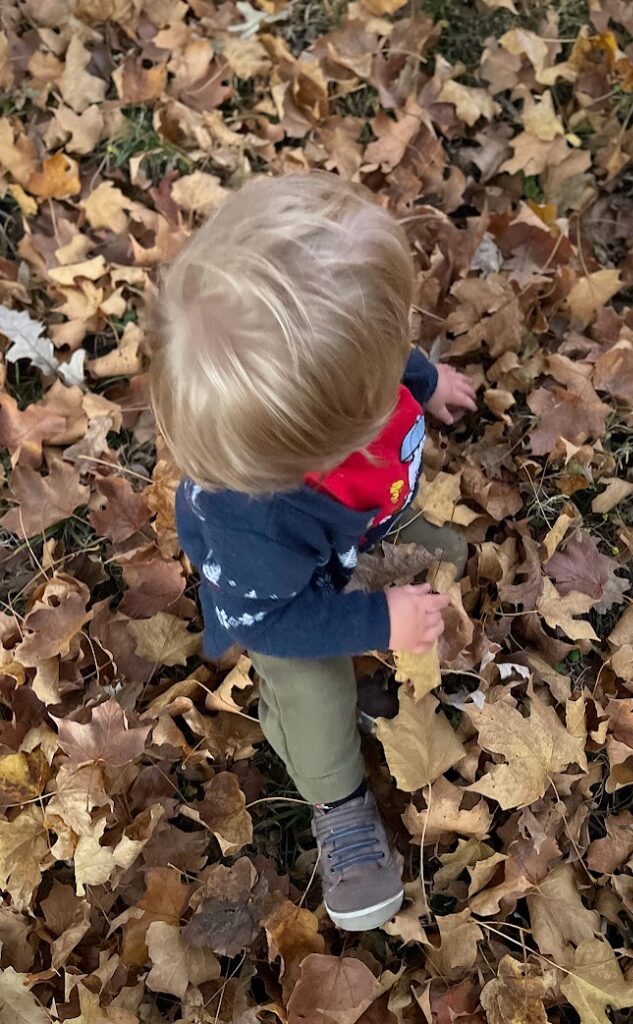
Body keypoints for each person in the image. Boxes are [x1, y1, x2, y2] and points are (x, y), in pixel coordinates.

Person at [150, 171, 477, 931]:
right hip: (281, 603)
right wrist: (375, 623)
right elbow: (273, 624)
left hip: (347, 519)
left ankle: (372, 537)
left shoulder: (341, 352)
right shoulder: (253, 525)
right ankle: (338, 800)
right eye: (392, 355)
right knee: (312, 686)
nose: (403, 341)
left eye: (395, 334)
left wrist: (421, 377)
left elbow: (378, 343)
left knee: (378, 529)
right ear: (332, 435)